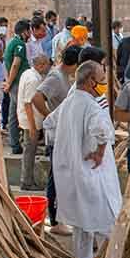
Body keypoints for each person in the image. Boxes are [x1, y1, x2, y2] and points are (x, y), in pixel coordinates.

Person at [48, 62, 121, 258]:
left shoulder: (69, 103)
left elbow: (48, 123)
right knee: (108, 227)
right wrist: (99, 152)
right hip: (93, 175)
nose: (104, 83)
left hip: (71, 176)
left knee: (82, 230)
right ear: (91, 81)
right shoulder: (91, 106)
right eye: (102, 78)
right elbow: (102, 132)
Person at [33, 47, 77, 233]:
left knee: (62, 176)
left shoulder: (66, 77)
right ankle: (54, 219)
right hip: (56, 135)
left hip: (64, 133)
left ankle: (60, 217)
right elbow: (36, 97)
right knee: (56, 177)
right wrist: (51, 117)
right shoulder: (56, 77)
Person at [15, 54, 49, 190]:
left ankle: (28, 180)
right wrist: (32, 127)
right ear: (41, 65)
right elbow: (28, 103)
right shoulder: (33, 79)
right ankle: (27, 182)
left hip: (30, 119)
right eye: (46, 65)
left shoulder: (28, 74)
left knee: (30, 151)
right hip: (30, 120)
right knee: (29, 152)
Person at [2, 19, 33, 142]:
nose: (30, 34)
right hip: (18, 83)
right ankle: (18, 142)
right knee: (20, 112)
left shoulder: (12, 42)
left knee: (13, 113)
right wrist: (9, 83)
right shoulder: (19, 44)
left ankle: (14, 142)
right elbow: (15, 64)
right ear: (24, 32)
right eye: (29, 32)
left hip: (15, 82)